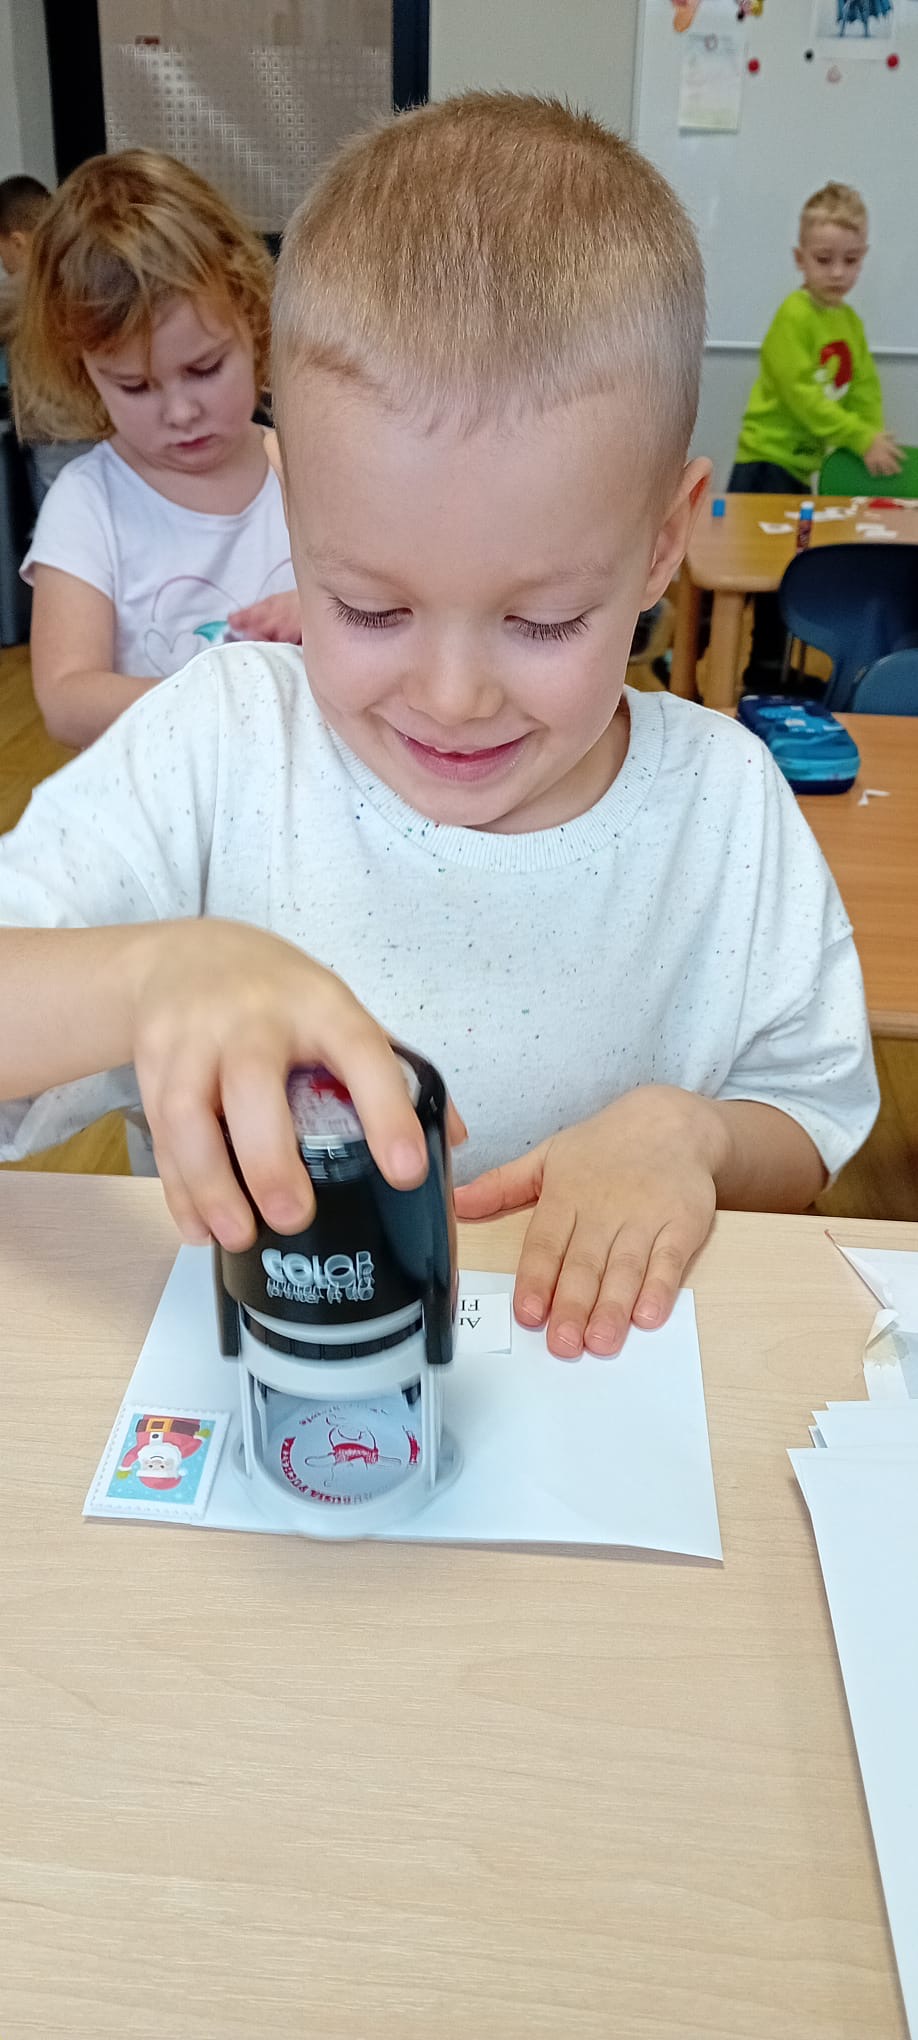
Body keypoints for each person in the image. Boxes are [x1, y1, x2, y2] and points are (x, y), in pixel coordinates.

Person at [0, 95, 878, 1361]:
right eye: (370, 607)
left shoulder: (724, 806)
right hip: (269, 1404)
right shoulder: (215, 749)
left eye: (543, 621)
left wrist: (694, 1135)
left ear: (661, 544)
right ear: (294, 512)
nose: (454, 697)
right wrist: (148, 979)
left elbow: (808, 1117)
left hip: (593, 1404)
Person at [11, 149, 300, 749]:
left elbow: (396, 606)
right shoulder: (88, 505)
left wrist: (328, 614)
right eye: (135, 386)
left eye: (205, 367)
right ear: (84, 371)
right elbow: (66, 700)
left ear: (250, 318)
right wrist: (227, 695)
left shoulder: (302, 468)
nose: (180, 412)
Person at [730, 181, 902, 689]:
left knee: (787, 573)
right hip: (764, 464)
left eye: (850, 260)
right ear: (800, 259)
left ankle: (768, 670)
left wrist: (872, 437)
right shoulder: (794, 316)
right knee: (747, 576)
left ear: (864, 258)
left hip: (802, 470)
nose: (837, 272)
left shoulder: (849, 323)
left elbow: (864, 389)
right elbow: (804, 398)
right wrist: (857, 437)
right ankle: (707, 655)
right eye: (824, 260)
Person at [0, 172, 93, 509]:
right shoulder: (85, 268)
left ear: (18, 242)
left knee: (65, 515)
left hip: (58, 435)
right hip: (98, 425)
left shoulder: (26, 287)